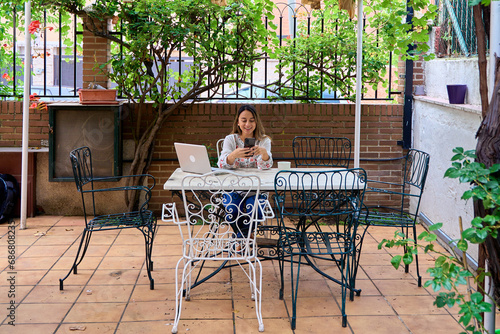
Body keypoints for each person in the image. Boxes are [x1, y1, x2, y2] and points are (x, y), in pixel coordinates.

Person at [218, 104, 273, 238]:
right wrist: (233, 155)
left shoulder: (264, 141)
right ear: (238, 122)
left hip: (257, 188)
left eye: (251, 120)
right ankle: (246, 236)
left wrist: (264, 154)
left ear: (256, 122)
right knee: (231, 209)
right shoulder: (230, 139)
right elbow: (221, 164)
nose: (247, 124)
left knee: (255, 210)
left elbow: (266, 167)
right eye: (244, 120)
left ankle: (240, 238)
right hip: (233, 187)